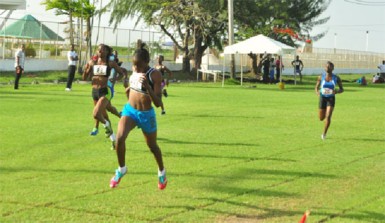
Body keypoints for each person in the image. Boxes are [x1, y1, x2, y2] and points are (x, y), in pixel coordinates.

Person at [110, 42, 167, 190]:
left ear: (147, 63)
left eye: (139, 66)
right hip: (130, 111)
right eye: (134, 65)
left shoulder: (154, 74)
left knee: (153, 146)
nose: (136, 69)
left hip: (146, 115)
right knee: (120, 139)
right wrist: (127, 89)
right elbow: (131, 90)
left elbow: (158, 102)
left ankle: (161, 171)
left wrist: (148, 88)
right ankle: (121, 169)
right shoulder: (135, 71)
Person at [82, 44, 127, 148]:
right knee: (106, 114)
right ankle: (113, 139)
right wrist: (86, 70)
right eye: (98, 50)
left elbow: (122, 73)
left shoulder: (110, 63)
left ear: (107, 52)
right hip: (94, 91)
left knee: (96, 114)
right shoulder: (92, 62)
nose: (100, 52)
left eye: (102, 50)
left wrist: (115, 79)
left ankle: (106, 126)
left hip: (105, 91)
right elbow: (84, 78)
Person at [315, 61, 344, 140]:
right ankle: (325, 119)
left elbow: (342, 89)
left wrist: (337, 91)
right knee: (321, 118)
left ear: (333, 68)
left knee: (328, 116)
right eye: (326, 66)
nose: (327, 67)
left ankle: (324, 134)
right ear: (324, 68)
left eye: (329, 66)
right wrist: (317, 92)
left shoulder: (336, 78)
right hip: (322, 98)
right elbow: (316, 87)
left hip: (331, 98)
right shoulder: (321, 77)